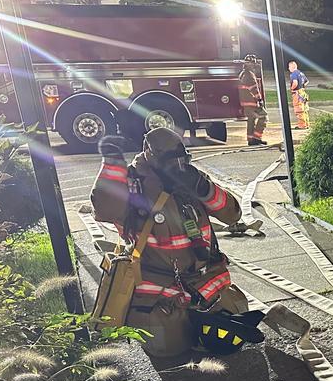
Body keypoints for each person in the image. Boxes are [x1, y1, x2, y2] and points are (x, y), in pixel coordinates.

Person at [90, 128, 253, 360]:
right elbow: (105, 210)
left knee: (232, 330)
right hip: (161, 292)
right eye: (171, 161)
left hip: (205, 282)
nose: (177, 165)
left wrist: (203, 188)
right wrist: (112, 166)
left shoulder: (190, 178)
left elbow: (232, 214)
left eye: (182, 159)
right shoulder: (132, 184)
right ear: (149, 154)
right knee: (168, 347)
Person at [239, 54, 268, 146]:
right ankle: (256, 138)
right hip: (252, 102)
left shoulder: (242, 73)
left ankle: (251, 140)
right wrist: (260, 100)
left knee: (251, 120)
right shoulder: (250, 75)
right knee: (263, 117)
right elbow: (254, 89)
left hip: (245, 102)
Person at [288, 60, 310, 129]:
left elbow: (295, 83)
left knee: (299, 109)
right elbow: (307, 81)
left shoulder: (293, 74)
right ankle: (307, 124)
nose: (288, 68)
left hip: (297, 93)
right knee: (305, 109)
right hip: (303, 93)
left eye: (289, 67)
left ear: (292, 67)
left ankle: (302, 125)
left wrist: (292, 89)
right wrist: (302, 86)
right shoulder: (301, 73)